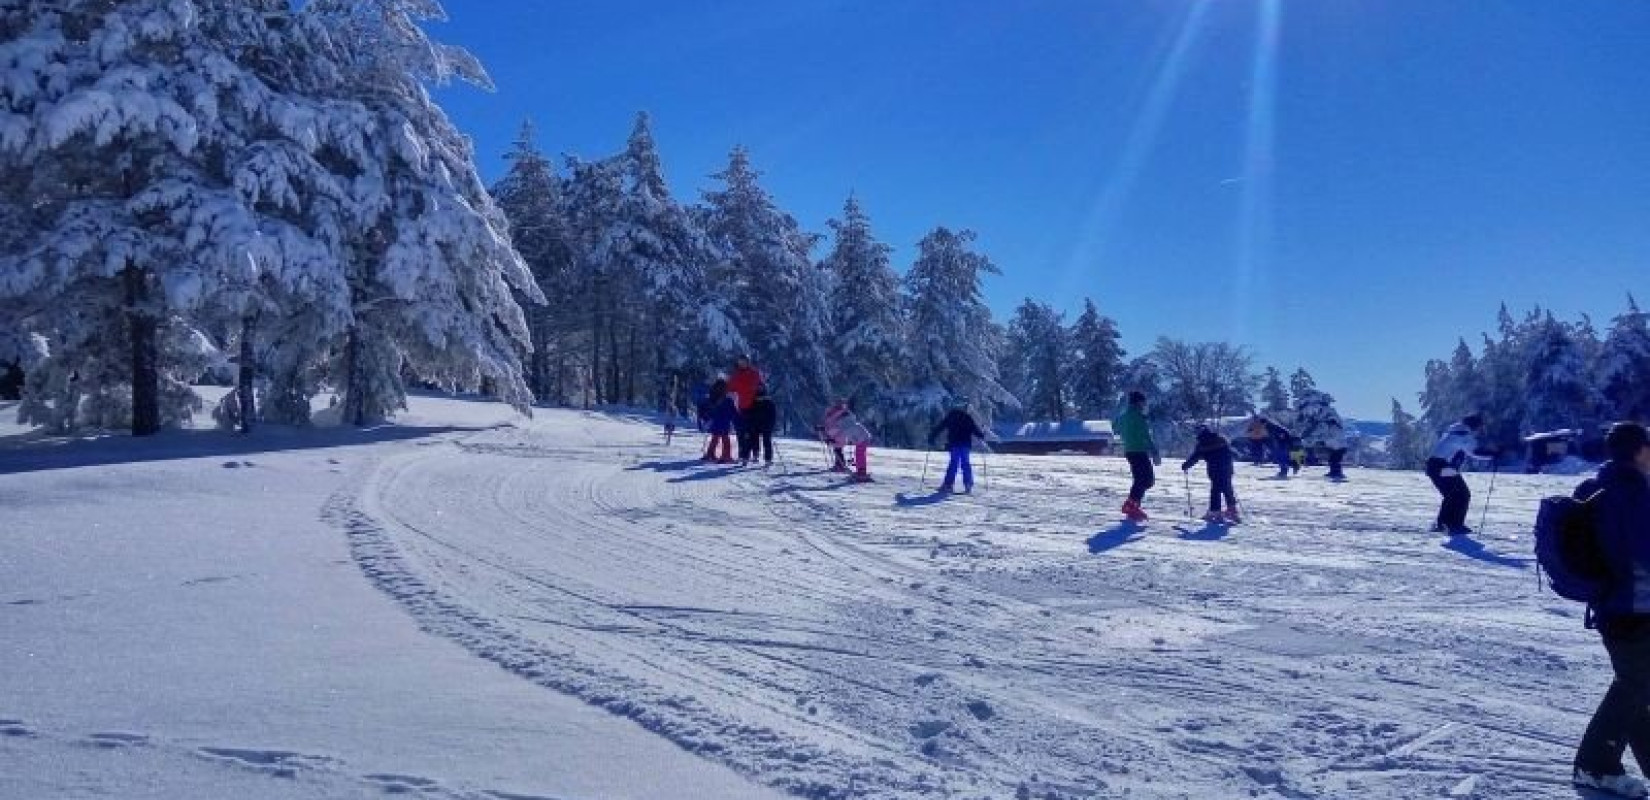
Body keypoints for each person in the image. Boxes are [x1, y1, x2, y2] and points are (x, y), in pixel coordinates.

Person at [1572, 422, 1650, 798]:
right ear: (1638, 450)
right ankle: (1594, 765)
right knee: (1636, 682)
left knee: (1637, 682)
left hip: (1611, 605)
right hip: (1632, 606)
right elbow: (1644, 550)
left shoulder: (1600, 486)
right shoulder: (1632, 491)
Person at [1425, 412, 1495, 535]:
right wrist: (1494, 455)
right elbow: (1474, 452)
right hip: (1442, 466)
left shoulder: (1456, 432)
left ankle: (1446, 524)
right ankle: (1452, 525)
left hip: (1437, 466)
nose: (1480, 430)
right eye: (1480, 427)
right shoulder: (1463, 435)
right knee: (1461, 494)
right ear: (1474, 425)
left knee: (1454, 494)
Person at [1112, 391, 1160, 521]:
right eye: (1143, 402)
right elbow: (1145, 435)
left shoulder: (1123, 416)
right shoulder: (1138, 417)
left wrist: (1127, 436)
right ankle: (1131, 505)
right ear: (1138, 402)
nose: (1144, 404)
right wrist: (1154, 451)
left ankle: (1133, 505)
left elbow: (1115, 427)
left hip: (1129, 451)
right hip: (1139, 451)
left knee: (1141, 479)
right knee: (1146, 480)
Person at [929, 398, 988, 494]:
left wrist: (932, 436)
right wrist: (981, 435)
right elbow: (975, 429)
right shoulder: (967, 417)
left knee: (954, 463)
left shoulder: (951, 416)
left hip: (955, 443)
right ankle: (968, 484)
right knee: (965, 463)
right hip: (965, 444)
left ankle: (948, 485)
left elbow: (940, 427)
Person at [1182, 424, 1240, 523]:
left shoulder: (1202, 443)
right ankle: (1232, 510)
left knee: (1215, 490)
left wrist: (1186, 465)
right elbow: (1230, 452)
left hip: (1215, 470)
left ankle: (1215, 511)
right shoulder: (1220, 438)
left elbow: (1195, 457)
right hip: (1227, 468)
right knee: (1227, 488)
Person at [727, 356, 763, 463]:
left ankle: (755, 452)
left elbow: (761, 386)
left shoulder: (754, 373)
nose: (742, 364)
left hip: (754, 405)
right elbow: (730, 388)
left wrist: (760, 392)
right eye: (740, 362)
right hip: (741, 406)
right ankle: (743, 454)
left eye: (744, 362)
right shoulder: (736, 375)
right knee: (741, 431)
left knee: (753, 430)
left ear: (748, 362)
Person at [834, 407, 875, 482]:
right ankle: (861, 470)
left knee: (859, 454)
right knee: (859, 454)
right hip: (863, 439)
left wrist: (835, 441)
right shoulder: (852, 424)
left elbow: (845, 437)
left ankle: (861, 471)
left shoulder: (848, 427)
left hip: (862, 440)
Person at [702, 379, 738, 464]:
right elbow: (733, 412)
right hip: (724, 421)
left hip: (715, 422)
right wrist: (737, 420)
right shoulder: (727, 400)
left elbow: (708, 410)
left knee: (715, 437)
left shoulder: (712, 398)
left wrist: (707, 418)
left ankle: (710, 453)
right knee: (725, 439)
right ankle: (726, 456)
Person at [745, 385, 778, 467]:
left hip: (766, 425)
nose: (759, 389)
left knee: (766, 441)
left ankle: (768, 459)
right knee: (754, 440)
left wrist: (771, 424)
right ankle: (755, 455)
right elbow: (749, 413)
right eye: (758, 388)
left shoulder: (769, 401)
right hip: (755, 424)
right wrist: (750, 423)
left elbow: (773, 415)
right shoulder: (753, 401)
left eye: (761, 388)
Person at [818, 398, 851, 472]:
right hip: (833, 434)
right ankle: (839, 465)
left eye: (839, 402)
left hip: (839, 435)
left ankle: (841, 466)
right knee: (837, 450)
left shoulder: (842, 413)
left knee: (838, 450)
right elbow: (828, 423)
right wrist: (823, 428)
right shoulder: (831, 411)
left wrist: (829, 434)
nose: (836, 404)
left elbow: (840, 426)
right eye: (836, 402)